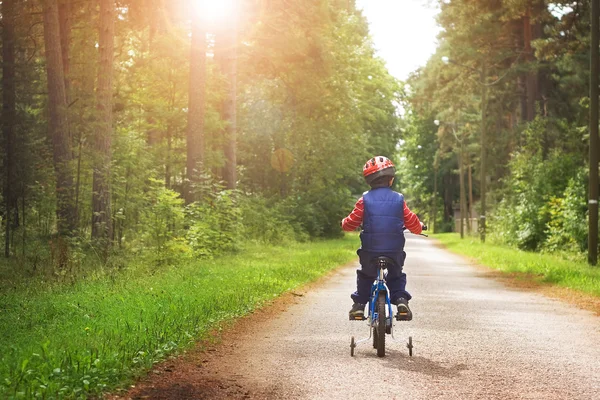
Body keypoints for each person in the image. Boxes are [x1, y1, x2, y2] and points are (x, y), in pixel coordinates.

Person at [342, 156, 424, 321]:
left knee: (366, 275)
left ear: (369, 181)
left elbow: (350, 223)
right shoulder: (399, 199)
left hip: (370, 251)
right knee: (396, 275)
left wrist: (345, 223)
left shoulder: (364, 200)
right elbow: (412, 222)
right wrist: (419, 227)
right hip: (394, 251)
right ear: (391, 179)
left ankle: (359, 306)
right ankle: (401, 300)